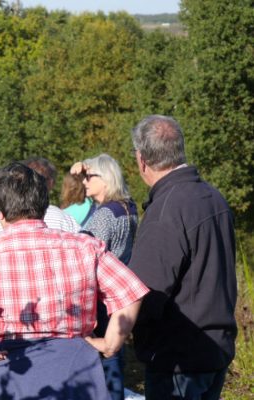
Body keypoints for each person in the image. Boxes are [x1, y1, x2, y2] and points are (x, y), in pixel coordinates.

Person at [0, 161, 149, 399]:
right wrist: (110, 344)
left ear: (0, 214)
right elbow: (131, 291)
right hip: (74, 374)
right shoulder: (84, 247)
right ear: (44, 206)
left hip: (2, 374)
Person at [129, 115, 237, 400]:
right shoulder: (213, 198)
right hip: (213, 349)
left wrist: (121, 329)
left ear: (141, 160)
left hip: (178, 360)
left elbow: (146, 293)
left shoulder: (166, 211)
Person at [70, 153, 138, 400]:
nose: (85, 181)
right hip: (119, 291)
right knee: (116, 352)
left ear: (106, 179)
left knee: (105, 360)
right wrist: (80, 171)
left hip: (101, 293)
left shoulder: (105, 215)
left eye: (90, 177)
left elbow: (84, 254)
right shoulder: (127, 207)